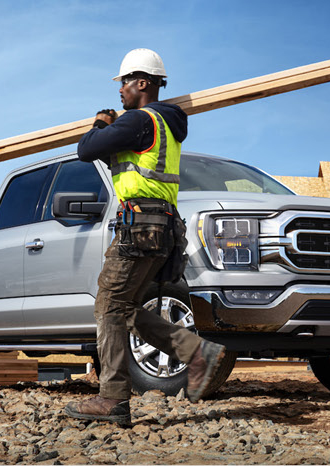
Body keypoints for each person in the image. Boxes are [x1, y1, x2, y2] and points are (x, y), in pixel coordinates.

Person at [63, 48, 227, 425]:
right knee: (125, 310)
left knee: (108, 307)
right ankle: (197, 351)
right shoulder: (163, 125)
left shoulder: (139, 121)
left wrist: (100, 123)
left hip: (139, 226)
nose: (119, 89)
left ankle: (113, 399)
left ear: (142, 82)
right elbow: (120, 160)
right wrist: (109, 133)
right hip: (160, 227)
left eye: (123, 82)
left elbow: (86, 150)